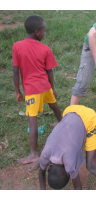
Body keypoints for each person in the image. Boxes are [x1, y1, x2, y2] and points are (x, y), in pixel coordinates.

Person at [12, 15, 62, 168]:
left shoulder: (17, 46)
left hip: (32, 90)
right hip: (45, 86)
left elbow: (15, 71)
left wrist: (17, 91)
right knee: (54, 106)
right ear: (36, 32)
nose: (45, 34)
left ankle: (34, 154)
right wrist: (52, 88)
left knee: (32, 119)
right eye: (44, 31)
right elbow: (50, 72)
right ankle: (62, 123)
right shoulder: (45, 48)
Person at [38, 105, 96, 190]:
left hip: (89, 117)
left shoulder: (69, 163)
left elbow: (78, 187)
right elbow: (41, 173)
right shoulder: (44, 155)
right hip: (70, 110)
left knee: (92, 166)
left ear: (68, 173)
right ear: (49, 168)